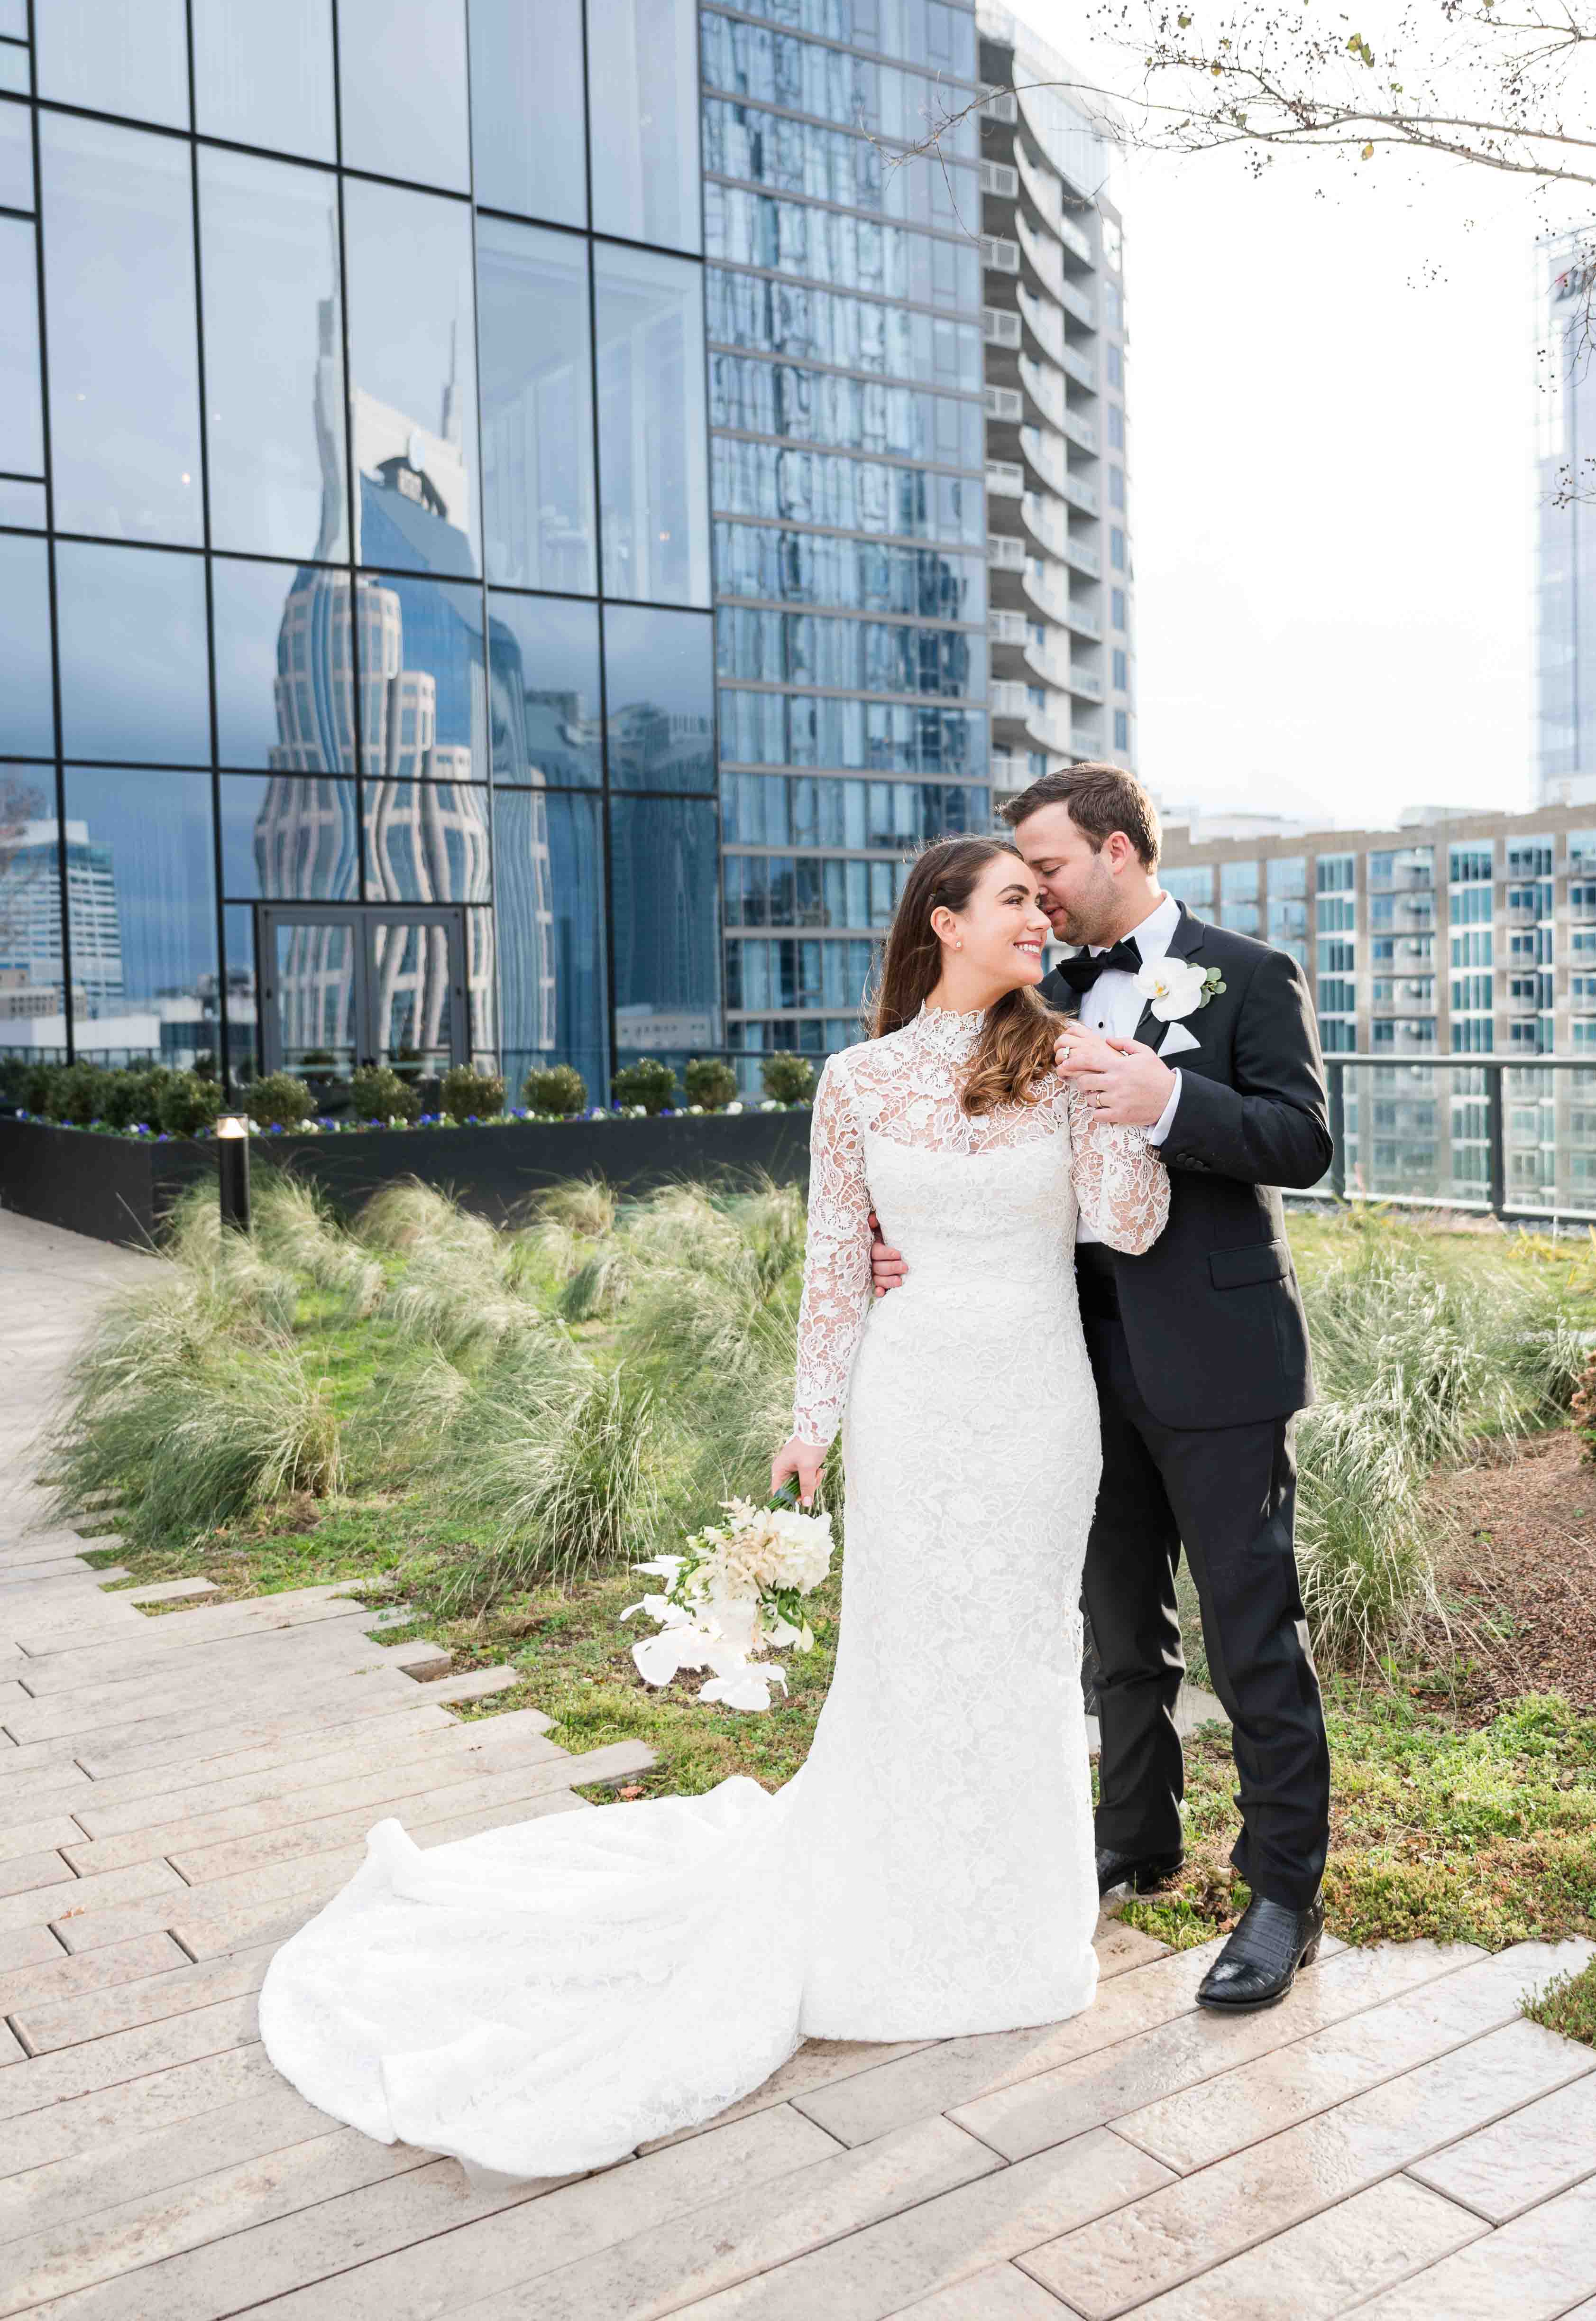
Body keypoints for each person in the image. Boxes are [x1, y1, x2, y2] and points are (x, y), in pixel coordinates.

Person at [257, 835, 1170, 2179]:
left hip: (1039, 1402)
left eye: (1045, 901)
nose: (1042, 919)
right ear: (944, 921)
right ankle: (892, 1914)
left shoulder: (1066, 1059)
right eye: (1016, 902)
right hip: (912, 1401)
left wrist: (1126, 1099)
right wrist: (812, 1423)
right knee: (909, 1654)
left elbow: (1129, 1226)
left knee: (1025, 1653)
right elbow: (832, 1264)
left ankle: (1019, 1935)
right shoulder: (856, 1080)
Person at [871, 765, 1334, 2012]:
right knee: (1117, 1632)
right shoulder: (1037, 993)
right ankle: (1134, 1838)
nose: (1037, 897)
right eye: (1020, 881)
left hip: (1219, 1360)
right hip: (1066, 1365)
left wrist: (1172, 1098)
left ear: (1117, 851)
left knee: (1251, 1633)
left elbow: (1302, 1141)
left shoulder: (1251, 974)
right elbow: (963, 1149)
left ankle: (1282, 1893)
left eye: (1049, 868)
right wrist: (894, 1245)